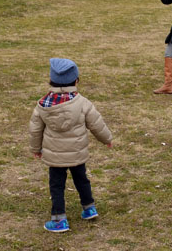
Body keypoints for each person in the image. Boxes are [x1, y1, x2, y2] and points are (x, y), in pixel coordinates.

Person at [29, 58, 113, 233]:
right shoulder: (82, 103)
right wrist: (107, 139)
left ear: (50, 81)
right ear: (76, 81)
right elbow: (97, 124)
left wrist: (36, 149)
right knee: (82, 179)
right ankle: (89, 208)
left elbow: (35, 130)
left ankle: (59, 219)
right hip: (77, 153)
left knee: (57, 185)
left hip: (54, 156)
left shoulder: (42, 105)